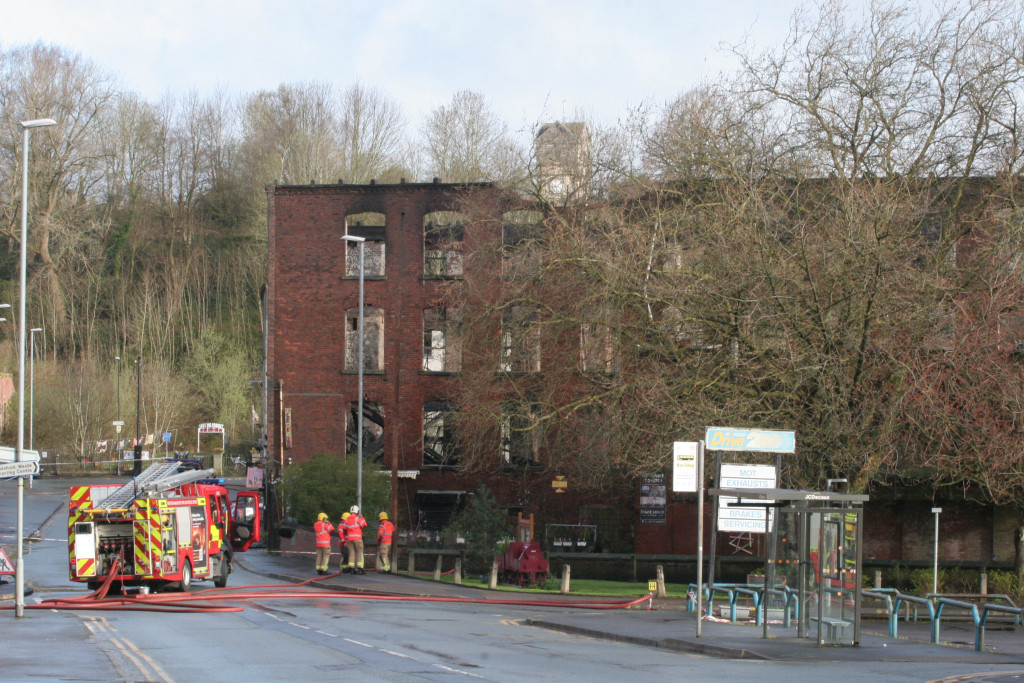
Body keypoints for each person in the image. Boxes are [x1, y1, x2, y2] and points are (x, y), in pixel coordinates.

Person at [343, 505, 368, 574]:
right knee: (359, 552)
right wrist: (361, 517)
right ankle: (360, 568)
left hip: (350, 539)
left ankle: (351, 568)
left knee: (352, 553)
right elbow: (365, 525)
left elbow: (344, 530)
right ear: (357, 511)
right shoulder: (358, 518)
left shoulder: (347, 519)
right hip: (357, 539)